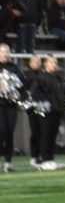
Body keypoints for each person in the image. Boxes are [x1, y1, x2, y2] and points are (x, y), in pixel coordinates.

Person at [26, 54, 65, 170]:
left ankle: (50, 159)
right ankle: (45, 160)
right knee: (45, 135)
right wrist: (44, 103)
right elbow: (34, 93)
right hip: (45, 111)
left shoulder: (59, 78)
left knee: (52, 135)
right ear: (45, 64)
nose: (54, 65)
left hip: (56, 110)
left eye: (55, 62)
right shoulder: (40, 77)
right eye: (51, 62)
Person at [0, 43, 25, 172]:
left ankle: (8, 162)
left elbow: (22, 84)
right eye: (2, 51)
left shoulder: (14, 68)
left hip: (11, 104)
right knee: (2, 130)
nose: (5, 54)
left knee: (9, 131)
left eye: (7, 51)